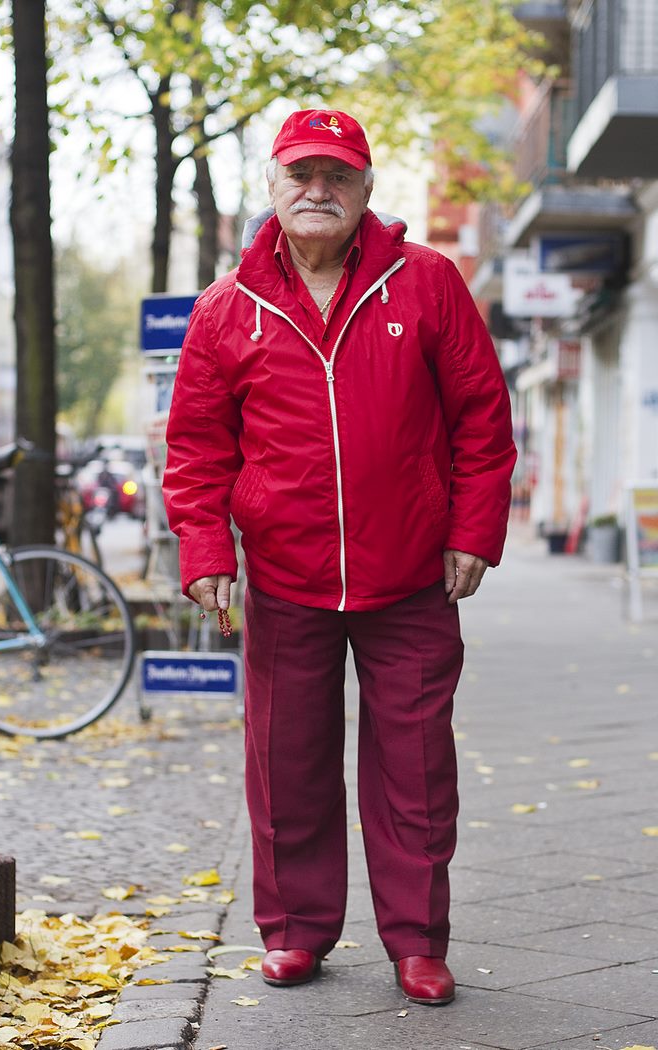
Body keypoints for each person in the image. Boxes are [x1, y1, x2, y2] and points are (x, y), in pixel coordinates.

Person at [163, 109, 516, 1006]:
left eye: (339, 175)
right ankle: (294, 932)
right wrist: (207, 547)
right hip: (285, 581)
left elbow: (481, 417)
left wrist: (474, 530)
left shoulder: (426, 282)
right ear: (273, 187)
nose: (319, 190)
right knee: (287, 766)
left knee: (418, 770)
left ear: (365, 190)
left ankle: (417, 941)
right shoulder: (223, 310)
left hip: (411, 581)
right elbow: (199, 449)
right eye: (302, 174)